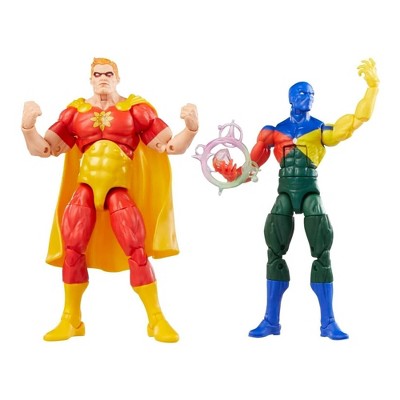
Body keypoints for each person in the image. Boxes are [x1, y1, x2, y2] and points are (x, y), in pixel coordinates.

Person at [21, 57, 199, 343]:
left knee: (136, 250)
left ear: (117, 78)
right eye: (97, 74)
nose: (102, 77)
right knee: (72, 249)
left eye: (108, 73)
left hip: (118, 189)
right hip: (85, 189)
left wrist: (190, 129)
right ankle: (71, 319)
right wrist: (28, 128)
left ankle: (156, 319)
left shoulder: (135, 110)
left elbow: (168, 146)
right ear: (90, 79)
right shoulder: (75, 112)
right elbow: (45, 149)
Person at [214, 58, 379, 340]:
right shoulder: (273, 131)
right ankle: (271, 321)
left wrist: (373, 87)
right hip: (284, 194)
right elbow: (251, 167)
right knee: (273, 253)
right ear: (291, 98)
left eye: (311, 94)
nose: (308, 97)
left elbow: (355, 121)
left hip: (310, 192)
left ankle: (328, 322)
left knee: (323, 253)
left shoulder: (320, 129)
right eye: (303, 93)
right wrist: (231, 174)